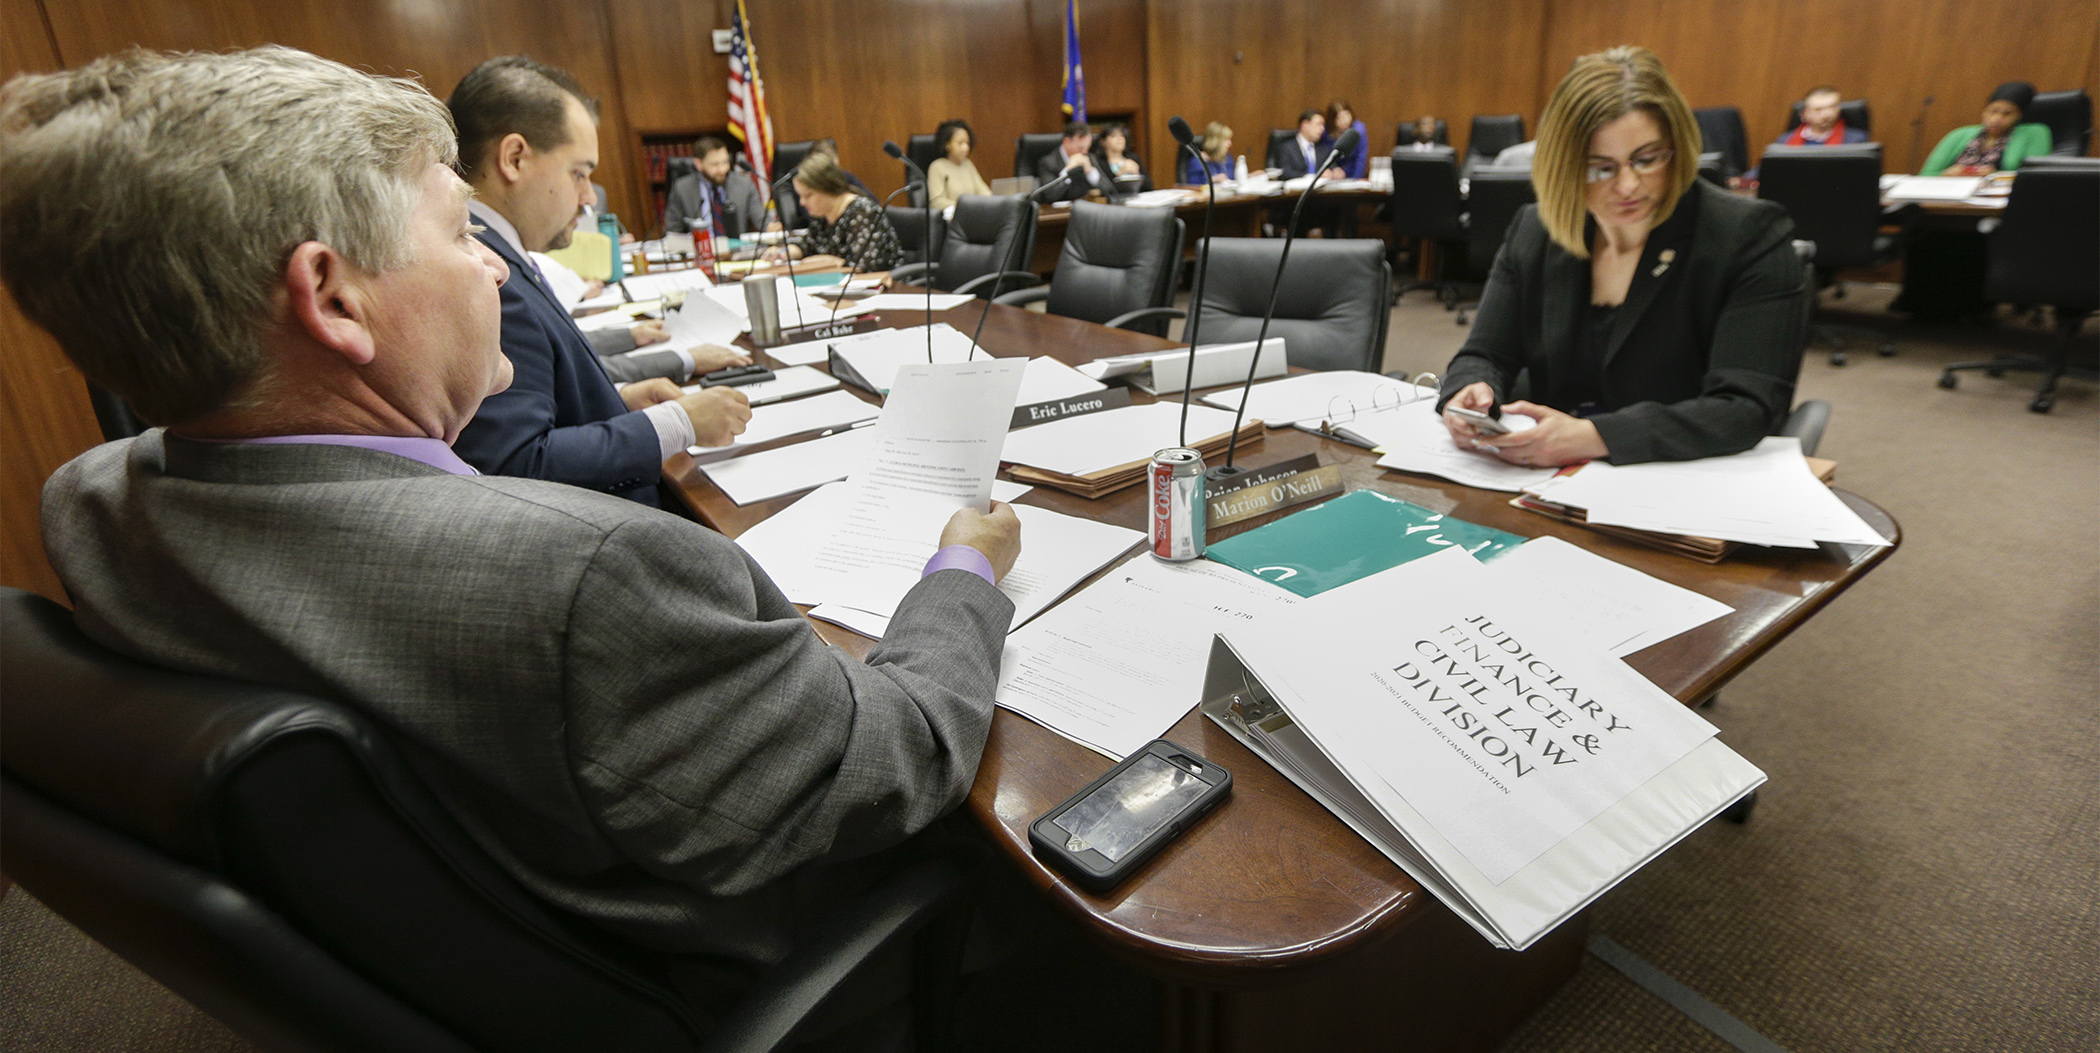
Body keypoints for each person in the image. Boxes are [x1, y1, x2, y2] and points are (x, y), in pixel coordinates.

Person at [1, 45, 1024, 1033]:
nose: (500, 270)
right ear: (333, 297)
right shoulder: (592, 579)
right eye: (460, 233)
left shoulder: (90, 499)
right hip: (702, 961)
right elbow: (890, 760)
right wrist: (964, 566)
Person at [1438, 45, 1803, 467]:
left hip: (1676, 480)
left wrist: (1594, 437)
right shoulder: (1534, 230)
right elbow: (1484, 354)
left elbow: (1746, 406)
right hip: (1547, 478)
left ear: (1677, 148)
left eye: (1647, 159)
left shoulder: (1747, 235)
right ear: (1564, 167)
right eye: (1600, 167)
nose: (1629, 185)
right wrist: (1468, 391)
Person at [445, 56, 750, 506]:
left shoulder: (498, 249)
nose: (588, 198)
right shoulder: (482, 270)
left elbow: (546, 385)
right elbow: (517, 464)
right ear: (514, 158)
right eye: (579, 173)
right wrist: (678, 422)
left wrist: (617, 398)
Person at [766, 152, 903, 271]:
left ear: (828, 188)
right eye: (800, 196)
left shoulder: (863, 212)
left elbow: (864, 266)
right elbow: (807, 246)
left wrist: (829, 261)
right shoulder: (821, 215)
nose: (802, 202)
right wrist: (783, 253)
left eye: (808, 195)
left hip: (887, 289)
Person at [1920, 81, 2053, 176]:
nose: (1996, 119)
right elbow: (1926, 174)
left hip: (1998, 201)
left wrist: (1994, 175)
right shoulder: (1959, 134)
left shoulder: (2035, 133)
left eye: (2007, 114)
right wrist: (1946, 174)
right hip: (1951, 195)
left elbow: (2033, 176)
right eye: (1992, 111)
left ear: (2020, 116)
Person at [662, 135, 767, 238]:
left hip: (737, 251)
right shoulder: (683, 188)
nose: (723, 169)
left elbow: (762, 220)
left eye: (725, 162)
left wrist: (772, 227)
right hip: (702, 250)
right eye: (715, 165)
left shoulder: (744, 184)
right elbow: (672, 231)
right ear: (699, 164)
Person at [926, 118, 990, 211]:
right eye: (960, 143)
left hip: (973, 215)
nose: (965, 148)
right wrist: (967, 207)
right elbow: (937, 202)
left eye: (967, 143)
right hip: (952, 220)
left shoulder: (967, 164)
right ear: (947, 145)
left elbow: (984, 192)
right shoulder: (937, 167)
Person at [1033, 120, 1101, 202]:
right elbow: (1050, 196)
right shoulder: (1048, 163)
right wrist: (1067, 172)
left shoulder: (1089, 158)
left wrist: (1090, 172)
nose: (1085, 152)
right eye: (1080, 148)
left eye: (1087, 148)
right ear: (1067, 142)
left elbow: (1108, 190)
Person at [1779, 86, 1870, 147]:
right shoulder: (1785, 141)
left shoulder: (1856, 141)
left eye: (1832, 108)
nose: (1826, 115)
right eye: (1818, 109)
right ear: (1804, 114)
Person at [1273, 108, 1341, 182]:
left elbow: (1332, 166)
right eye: (1318, 124)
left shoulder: (1323, 148)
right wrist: (1315, 176)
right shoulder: (1286, 147)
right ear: (1305, 125)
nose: (1322, 129)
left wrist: (1336, 171)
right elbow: (1286, 173)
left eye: (1323, 125)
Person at [1091, 121, 1152, 194]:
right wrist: (1120, 173)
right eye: (1113, 136)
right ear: (1103, 141)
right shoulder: (1098, 162)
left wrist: (1138, 174)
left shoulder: (1133, 158)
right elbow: (1104, 189)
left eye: (1122, 136)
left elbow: (1149, 187)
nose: (1119, 139)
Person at [1323, 100, 1369, 179]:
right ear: (1332, 120)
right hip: (1332, 175)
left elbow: (1360, 159)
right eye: (1340, 118)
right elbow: (1322, 154)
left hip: (1351, 171)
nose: (1345, 120)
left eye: (1347, 115)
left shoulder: (1358, 130)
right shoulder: (1325, 131)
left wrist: (1356, 180)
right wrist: (1333, 168)